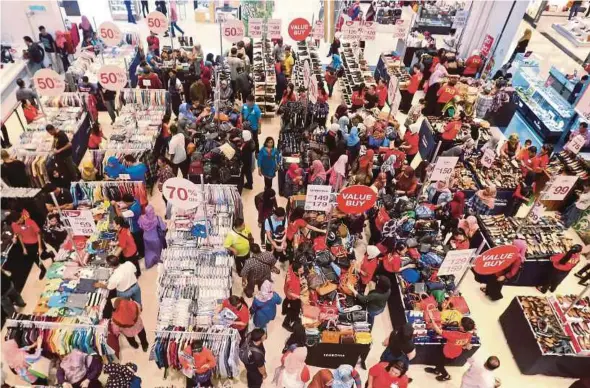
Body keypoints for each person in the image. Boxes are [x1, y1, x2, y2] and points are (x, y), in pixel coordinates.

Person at [425, 316, 476, 381]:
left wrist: (432, 321)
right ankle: (437, 371)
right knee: (440, 362)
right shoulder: (469, 335)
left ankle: (446, 375)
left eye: (460, 323)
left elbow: (438, 331)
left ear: (462, 327)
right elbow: (465, 345)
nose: (459, 323)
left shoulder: (454, 334)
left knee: (439, 363)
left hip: (447, 353)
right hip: (456, 354)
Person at [10, 210, 46, 279]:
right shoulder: (14, 224)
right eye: (15, 222)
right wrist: (24, 248)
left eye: (18, 221)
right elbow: (19, 235)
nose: (17, 223)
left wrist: (40, 247)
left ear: (21, 217)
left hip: (37, 241)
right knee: (34, 258)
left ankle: (50, 254)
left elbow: (38, 233)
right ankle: (43, 269)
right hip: (27, 244)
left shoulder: (30, 221)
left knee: (43, 256)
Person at [138, 205, 166, 269]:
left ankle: (149, 263)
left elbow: (141, 227)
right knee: (157, 251)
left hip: (146, 237)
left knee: (148, 251)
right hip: (155, 238)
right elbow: (163, 228)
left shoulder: (141, 218)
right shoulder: (157, 218)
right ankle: (158, 261)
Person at [283, 261, 304, 331]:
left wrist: (300, 278)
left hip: (287, 291)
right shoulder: (293, 282)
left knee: (287, 301)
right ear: (296, 271)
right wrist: (300, 297)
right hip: (293, 298)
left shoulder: (291, 267)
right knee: (295, 310)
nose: (303, 271)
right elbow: (290, 293)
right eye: (301, 271)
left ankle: (284, 310)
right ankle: (286, 323)